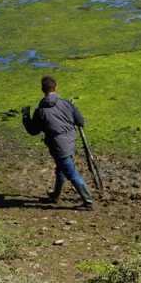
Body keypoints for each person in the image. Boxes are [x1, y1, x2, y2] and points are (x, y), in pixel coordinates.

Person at [22, 76, 94, 210]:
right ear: (55, 88)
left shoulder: (40, 111)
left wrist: (26, 116)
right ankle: (56, 194)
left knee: (71, 173)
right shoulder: (67, 103)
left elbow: (33, 131)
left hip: (58, 146)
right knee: (61, 167)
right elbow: (80, 122)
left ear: (42, 90)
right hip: (71, 141)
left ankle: (88, 202)